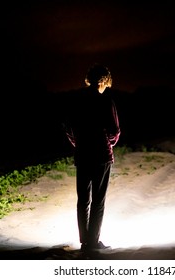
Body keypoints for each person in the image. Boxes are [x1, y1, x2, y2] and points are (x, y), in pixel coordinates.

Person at [63, 63, 121, 252]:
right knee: (98, 200)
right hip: (101, 155)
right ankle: (93, 241)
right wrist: (107, 142)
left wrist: (79, 143)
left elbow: (69, 128)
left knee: (83, 200)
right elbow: (114, 131)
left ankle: (84, 241)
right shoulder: (105, 101)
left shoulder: (77, 100)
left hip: (82, 154)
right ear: (104, 80)